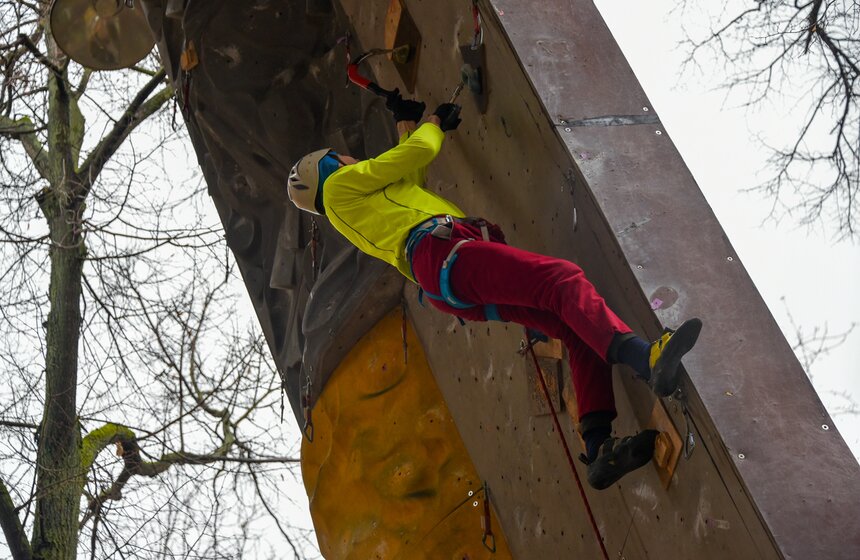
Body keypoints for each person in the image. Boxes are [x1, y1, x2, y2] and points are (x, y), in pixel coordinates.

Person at [286, 93, 702, 490]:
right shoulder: (340, 186)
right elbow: (413, 156)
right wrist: (432, 126)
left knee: (571, 326)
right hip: (445, 253)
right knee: (562, 280)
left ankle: (598, 448)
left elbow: (407, 177)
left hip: (444, 283)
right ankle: (647, 359)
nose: (350, 158)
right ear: (325, 169)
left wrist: (406, 123)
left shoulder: (353, 205)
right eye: (339, 157)